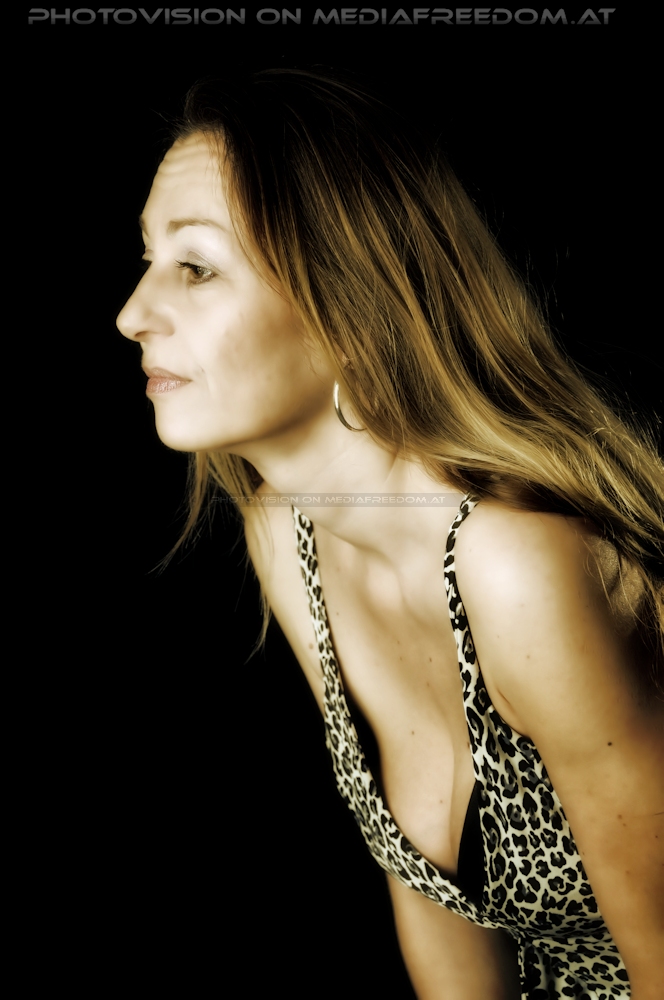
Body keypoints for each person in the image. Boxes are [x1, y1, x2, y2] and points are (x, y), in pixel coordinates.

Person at [116, 69, 664, 999]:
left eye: (196, 268)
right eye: (146, 258)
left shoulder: (516, 564)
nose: (131, 314)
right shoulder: (288, 538)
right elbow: (429, 896)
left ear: (348, 308)